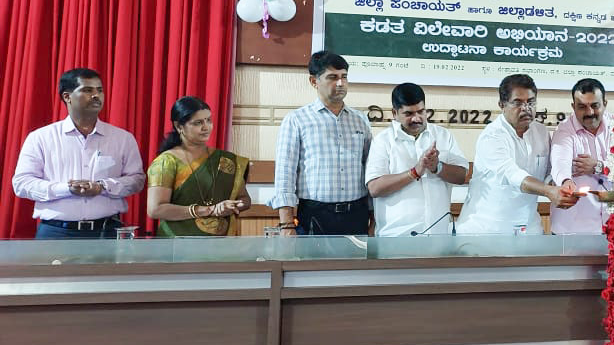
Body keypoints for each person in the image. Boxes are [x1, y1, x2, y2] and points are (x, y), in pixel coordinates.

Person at [12, 68, 145, 238]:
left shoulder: (123, 138)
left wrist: (103, 187)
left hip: (107, 231)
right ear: (67, 97)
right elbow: (22, 183)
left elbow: (137, 180)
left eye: (100, 90)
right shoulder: (41, 138)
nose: (96, 96)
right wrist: (66, 189)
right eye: (87, 90)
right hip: (56, 232)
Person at [456, 74, 579, 234]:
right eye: (518, 103)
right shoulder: (492, 136)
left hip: (528, 227)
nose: (526, 108)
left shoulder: (540, 131)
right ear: (502, 104)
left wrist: (560, 187)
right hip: (486, 229)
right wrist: (549, 192)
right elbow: (512, 174)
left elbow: (548, 173)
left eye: (531, 102)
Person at [269, 51, 372, 235]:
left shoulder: (360, 120)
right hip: (314, 214)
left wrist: (374, 217)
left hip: (357, 214)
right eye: (332, 77)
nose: (340, 83)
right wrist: (286, 224)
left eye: (344, 77)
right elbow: (285, 174)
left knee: (357, 257)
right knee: (311, 257)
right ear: (313, 81)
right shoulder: (296, 120)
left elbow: (370, 170)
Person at [365, 83, 468, 236]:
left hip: (438, 236)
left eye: (421, 111)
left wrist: (437, 167)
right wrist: (414, 172)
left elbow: (461, 176)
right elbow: (374, 188)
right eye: (408, 113)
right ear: (394, 113)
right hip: (396, 237)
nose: (416, 118)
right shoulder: (383, 141)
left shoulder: (443, 136)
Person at [146, 97, 251, 236]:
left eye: (209, 120)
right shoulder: (166, 162)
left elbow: (244, 199)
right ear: (179, 126)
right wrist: (209, 210)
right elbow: (155, 209)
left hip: (220, 244)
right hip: (177, 243)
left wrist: (232, 206)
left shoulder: (226, 160)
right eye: (198, 123)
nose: (206, 127)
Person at [550, 78, 614, 234]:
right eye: (582, 107)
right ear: (573, 107)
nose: (589, 112)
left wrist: (599, 166)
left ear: (604, 103)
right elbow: (560, 164)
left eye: (595, 105)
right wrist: (565, 182)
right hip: (573, 229)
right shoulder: (565, 130)